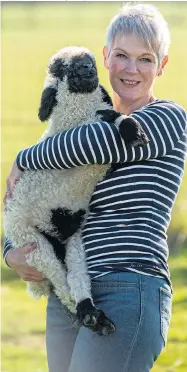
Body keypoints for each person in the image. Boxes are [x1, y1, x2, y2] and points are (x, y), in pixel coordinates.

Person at [3, 3, 187, 372]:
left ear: (162, 65)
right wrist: (11, 252)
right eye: (121, 55)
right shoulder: (72, 129)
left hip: (129, 285)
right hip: (71, 294)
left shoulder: (168, 118)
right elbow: (40, 196)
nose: (131, 69)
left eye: (146, 59)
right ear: (105, 57)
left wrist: (24, 156)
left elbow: (99, 143)